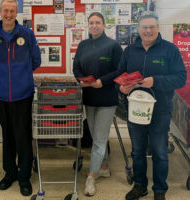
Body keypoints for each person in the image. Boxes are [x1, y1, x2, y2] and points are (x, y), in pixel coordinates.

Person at [117, 11, 187, 200]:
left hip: (160, 110)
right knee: (138, 151)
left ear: (158, 28)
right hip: (136, 110)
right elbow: (120, 74)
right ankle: (140, 186)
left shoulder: (170, 50)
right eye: (144, 27)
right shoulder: (130, 51)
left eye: (152, 27)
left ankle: (160, 190)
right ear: (138, 29)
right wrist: (122, 87)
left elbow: (181, 78)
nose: (148, 31)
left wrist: (155, 81)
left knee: (159, 151)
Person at [0, 0, 41, 196]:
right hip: (0, 95)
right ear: (0, 11)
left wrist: (22, 75)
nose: (8, 14)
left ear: (17, 12)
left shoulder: (27, 34)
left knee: (23, 136)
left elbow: (37, 60)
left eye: (12, 10)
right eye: (5, 10)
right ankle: (10, 173)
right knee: (7, 136)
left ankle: (24, 176)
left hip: (23, 95)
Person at [73, 12, 123, 196]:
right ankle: (103, 166)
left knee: (100, 140)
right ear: (88, 25)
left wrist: (103, 81)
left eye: (98, 22)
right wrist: (81, 80)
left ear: (104, 25)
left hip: (107, 99)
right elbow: (76, 67)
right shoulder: (83, 45)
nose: (94, 25)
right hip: (89, 98)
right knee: (96, 138)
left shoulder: (113, 46)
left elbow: (120, 70)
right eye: (91, 22)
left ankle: (91, 178)